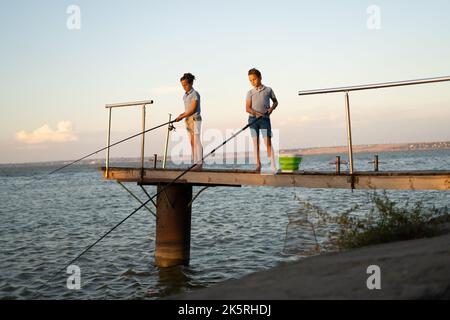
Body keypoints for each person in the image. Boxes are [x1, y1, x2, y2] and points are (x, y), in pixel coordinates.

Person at [245, 68, 279, 173]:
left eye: (254, 79)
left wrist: (271, 109)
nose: (252, 82)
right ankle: (258, 165)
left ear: (260, 78)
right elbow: (247, 108)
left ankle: (273, 165)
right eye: (250, 80)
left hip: (265, 120)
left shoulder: (268, 90)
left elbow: (275, 102)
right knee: (256, 143)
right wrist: (257, 114)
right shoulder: (250, 92)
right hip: (253, 120)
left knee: (267, 142)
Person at [175, 73, 203, 169]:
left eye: (186, 85)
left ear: (191, 83)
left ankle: (199, 163)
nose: (184, 87)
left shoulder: (195, 94)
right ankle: (195, 162)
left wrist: (182, 116)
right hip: (188, 120)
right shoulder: (185, 96)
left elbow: (193, 110)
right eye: (182, 85)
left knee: (196, 140)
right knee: (191, 142)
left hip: (195, 119)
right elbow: (187, 110)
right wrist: (181, 115)